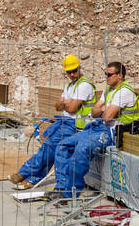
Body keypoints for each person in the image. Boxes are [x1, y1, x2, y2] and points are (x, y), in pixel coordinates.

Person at [54, 60, 139, 199]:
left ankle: (71, 192)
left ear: (120, 75)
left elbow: (107, 117)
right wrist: (103, 109)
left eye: (109, 74)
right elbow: (95, 111)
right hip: (99, 127)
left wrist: (102, 110)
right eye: (105, 74)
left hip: (114, 132)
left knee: (82, 149)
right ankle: (61, 186)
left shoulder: (124, 91)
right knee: (62, 145)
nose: (106, 77)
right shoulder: (109, 90)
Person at [9, 54, 96, 190]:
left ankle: (25, 173)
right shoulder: (70, 86)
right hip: (65, 122)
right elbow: (57, 105)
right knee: (48, 150)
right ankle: (30, 178)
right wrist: (66, 103)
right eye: (69, 72)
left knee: (48, 148)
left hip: (75, 125)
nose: (72, 74)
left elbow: (72, 108)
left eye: (74, 71)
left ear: (80, 67)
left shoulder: (84, 85)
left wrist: (65, 103)